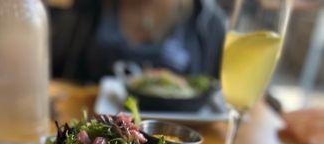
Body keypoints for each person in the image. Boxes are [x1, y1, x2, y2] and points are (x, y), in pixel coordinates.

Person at [50, 0, 226, 83]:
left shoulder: (209, 20)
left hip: (181, 136)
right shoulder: (88, 7)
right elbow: (57, 80)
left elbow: (217, 98)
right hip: (96, 126)